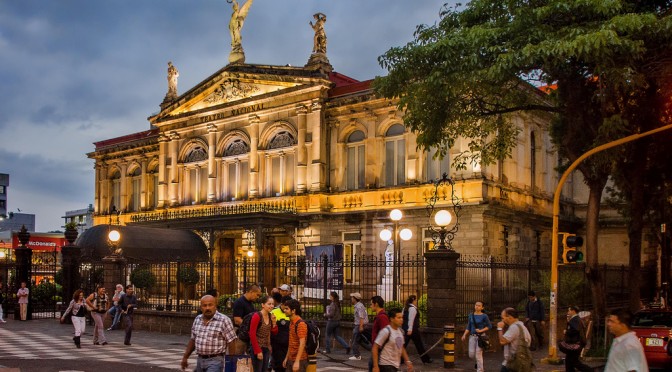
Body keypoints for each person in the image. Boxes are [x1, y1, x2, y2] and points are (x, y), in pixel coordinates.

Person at [181, 295, 237, 371]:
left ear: (215, 306)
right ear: (201, 307)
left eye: (210, 305)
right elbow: (193, 340)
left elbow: (231, 341)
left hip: (215, 360)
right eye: (204, 305)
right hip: (200, 360)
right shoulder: (198, 319)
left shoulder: (224, 320)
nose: (207, 308)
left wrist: (231, 362)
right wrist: (185, 357)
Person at [497, 307, 532, 372]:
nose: (502, 320)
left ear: (509, 317)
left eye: (503, 318)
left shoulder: (514, 328)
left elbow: (502, 341)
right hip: (521, 361)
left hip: (512, 363)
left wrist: (499, 328)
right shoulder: (522, 326)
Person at [461, 301, 492, 372]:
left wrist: (481, 330)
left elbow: (489, 326)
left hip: (480, 337)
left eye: (479, 305)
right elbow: (468, 326)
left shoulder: (484, 316)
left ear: (482, 307)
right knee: (471, 354)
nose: (477, 306)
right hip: (472, 336)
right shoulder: (471, 315)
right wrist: (464, 334)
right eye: (476, 305)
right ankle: (477, 362)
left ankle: (480, 370)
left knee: (478, 354)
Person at [249, 295, 277, 372]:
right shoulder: (257, 316)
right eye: (269, 304)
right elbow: (252, 334)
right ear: (263, 305)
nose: (271, 306)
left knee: (265, 370)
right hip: (257, 347)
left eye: (272, 304)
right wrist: (258, 351)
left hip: (266, 348)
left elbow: (274, 332)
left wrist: (274, 323)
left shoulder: (270, 316)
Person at [403, 295, 433, 364]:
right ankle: (426, 359)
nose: (416, 302)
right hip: (413, 330)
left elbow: (403, 318)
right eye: (416, 300)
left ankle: (400, 359)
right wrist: (410, 329)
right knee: (419, 345)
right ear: (413, 300)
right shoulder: (413, 309)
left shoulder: (405, 308)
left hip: (406, 329)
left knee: (403, 345)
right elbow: (411, 320)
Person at [562, 305, 592, 372]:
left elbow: (575, 330)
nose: (568, 312)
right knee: (569, 363)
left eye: (569, 310)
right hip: (576, 344)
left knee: (575, 363)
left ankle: (590, 370)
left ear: (573, 311)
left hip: (574, 345)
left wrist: (566, 331)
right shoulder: (577, 319)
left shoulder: (574, 319)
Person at [283, 299, 308, 372]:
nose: (284, 310)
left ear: (293, 311)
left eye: (287, 309)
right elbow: (291, 342)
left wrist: (297, 361)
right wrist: (286, 358)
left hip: (300, 359)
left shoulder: (300, 324)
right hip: (291, 358)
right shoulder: (291, 322)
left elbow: (302, 343)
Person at [270, 295, 292, 372]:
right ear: (281, 304)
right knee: (279, 367)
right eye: (285, 306)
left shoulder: (291, 313)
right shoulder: (273, 312)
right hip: (277, 347)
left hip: (289, 346)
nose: (286, 308)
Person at [349, 292, 368, 361]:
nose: (351, 299)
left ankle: (357, 355)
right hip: (359, 325)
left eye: (352, 298)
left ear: (355, 299)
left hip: (358, 325)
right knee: (359, 340)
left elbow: (361, 317)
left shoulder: (359, 306)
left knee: (355, 340)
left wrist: (360, 326)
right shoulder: (359, 305)